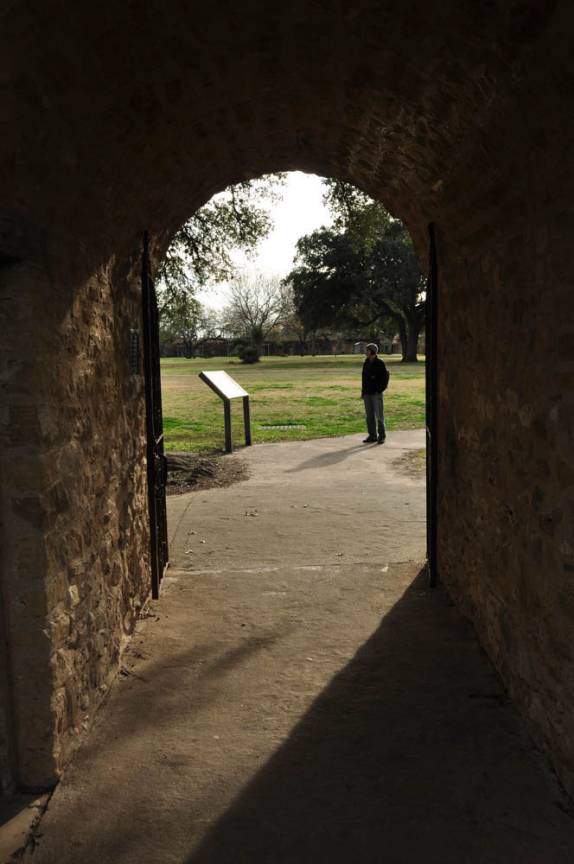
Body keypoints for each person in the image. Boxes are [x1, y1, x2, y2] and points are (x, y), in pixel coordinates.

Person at [361, 343, 389, 444]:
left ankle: (381, 436)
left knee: (379, 415)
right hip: (367, 393)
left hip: (376, 394)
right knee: (369, 415)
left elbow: (385, 377)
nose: (365, 352)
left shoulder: (380, 363)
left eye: (367, 350)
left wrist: (380, 389)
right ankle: (372, 435)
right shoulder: (366, 363)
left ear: (372, 351)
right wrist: (363, 392)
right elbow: (363, 379)